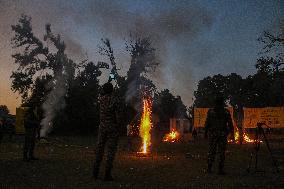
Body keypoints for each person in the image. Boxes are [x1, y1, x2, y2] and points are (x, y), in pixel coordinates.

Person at [93, 82, 120, 181]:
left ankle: (95, 172)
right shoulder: (115, 100)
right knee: (110, 151)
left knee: (99, 149)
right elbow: (118, 116)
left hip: (102, 128)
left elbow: (102, 94)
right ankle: (107, 175)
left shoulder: (101, 99)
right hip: (112, 128)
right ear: (112, 90)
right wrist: (118, 125)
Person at [204, 95, 233, 175]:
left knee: (211, 151)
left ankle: (209, 168)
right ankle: (220, 170)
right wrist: (232, 134)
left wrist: (205, 133)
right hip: (222, 135)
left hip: (213, 134)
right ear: (222, 103)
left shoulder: (211, 111)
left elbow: (207, 123)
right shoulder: (226, 112)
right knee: (221, 152)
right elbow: (230, 124)